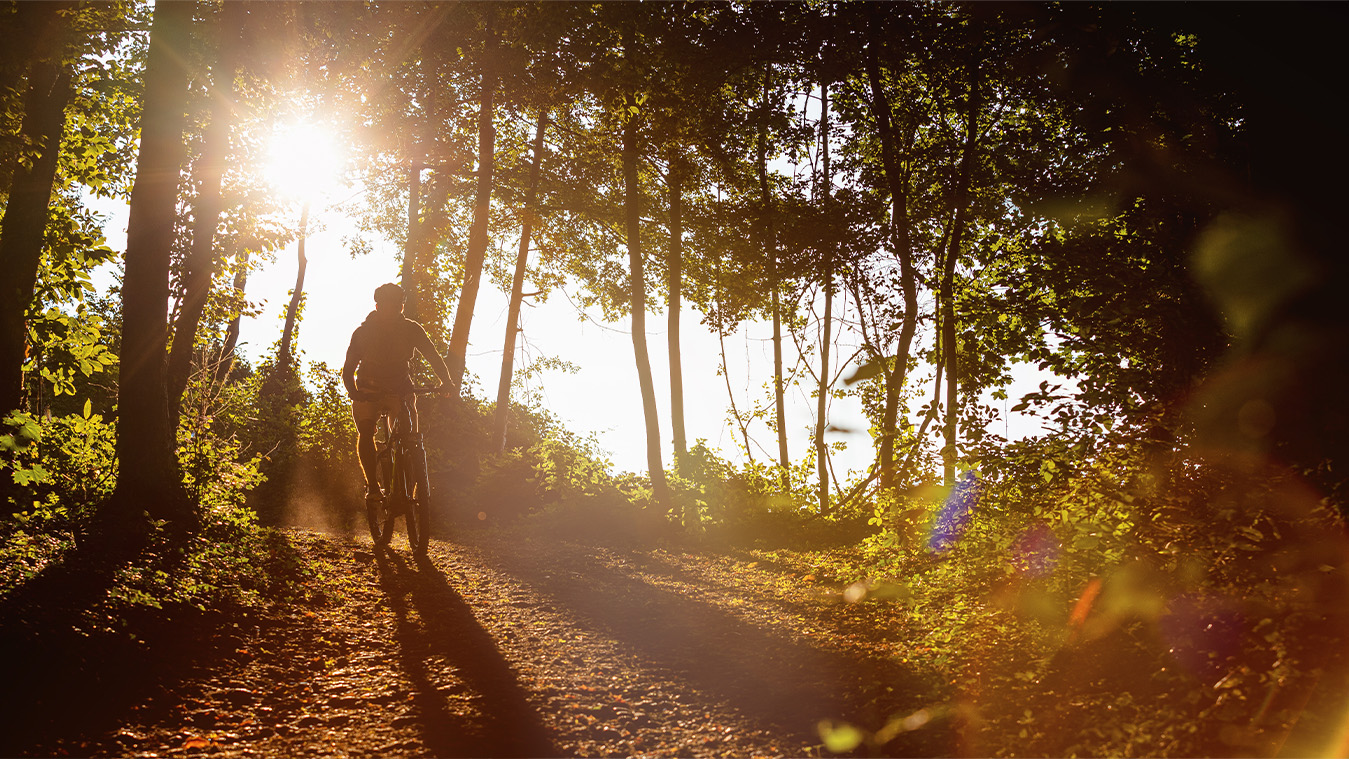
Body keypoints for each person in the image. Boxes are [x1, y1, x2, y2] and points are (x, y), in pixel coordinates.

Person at [342, 282, 455, 502]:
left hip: (400, 389)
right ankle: (373, 488)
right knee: (366, 432)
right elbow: (348, 369)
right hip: (369, 389)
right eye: (386, 305)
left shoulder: (412, 329)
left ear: (401, 308)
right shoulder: (363, 333)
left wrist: (447, 382)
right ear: (377, 306)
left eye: (395, 306)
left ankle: (410, 490)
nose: (391, 310)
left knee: (411, 437)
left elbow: (433, 357)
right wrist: (354, 392)